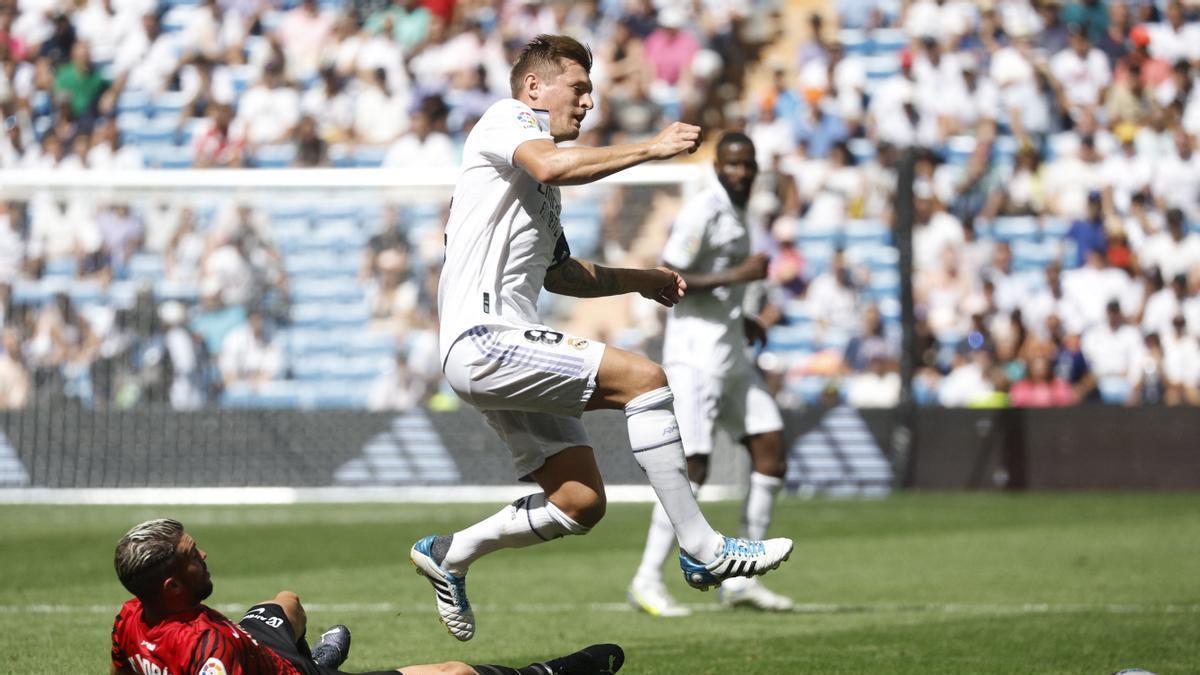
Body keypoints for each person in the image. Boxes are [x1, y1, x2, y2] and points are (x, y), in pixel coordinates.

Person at [414, 34, 793, 642]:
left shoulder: (541, 189)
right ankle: (701, 548)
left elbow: (562, 273)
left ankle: (450, 553)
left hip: (503, 345)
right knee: (645, 381)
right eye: (579, 88)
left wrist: (639, 279)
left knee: (580, 502)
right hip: (485, 336)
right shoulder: (507, 120)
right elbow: (551, 161)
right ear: (535, 87)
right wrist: (651, 147)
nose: (588, 102)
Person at [626, 132, 794, 617]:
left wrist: (740, 316)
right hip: (696, 356)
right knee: (693, 466)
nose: (741, 172)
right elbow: (668, 276)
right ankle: (646, 579)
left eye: (748, 164)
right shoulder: (704, 209)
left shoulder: (741, 209)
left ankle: (740, 584)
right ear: (717, 166)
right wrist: (738, 277)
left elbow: (716, 282)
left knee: (771, 451)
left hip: (731, 352)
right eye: (732, 164)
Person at [109, 519, 625, 675]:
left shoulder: (130, 617)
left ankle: (319, 657)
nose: (206, 556)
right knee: (456, 674)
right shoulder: (208, 653)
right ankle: (551, 673)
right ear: (174, 586)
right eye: (193, 556)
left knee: (285, 603)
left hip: (257, 646)